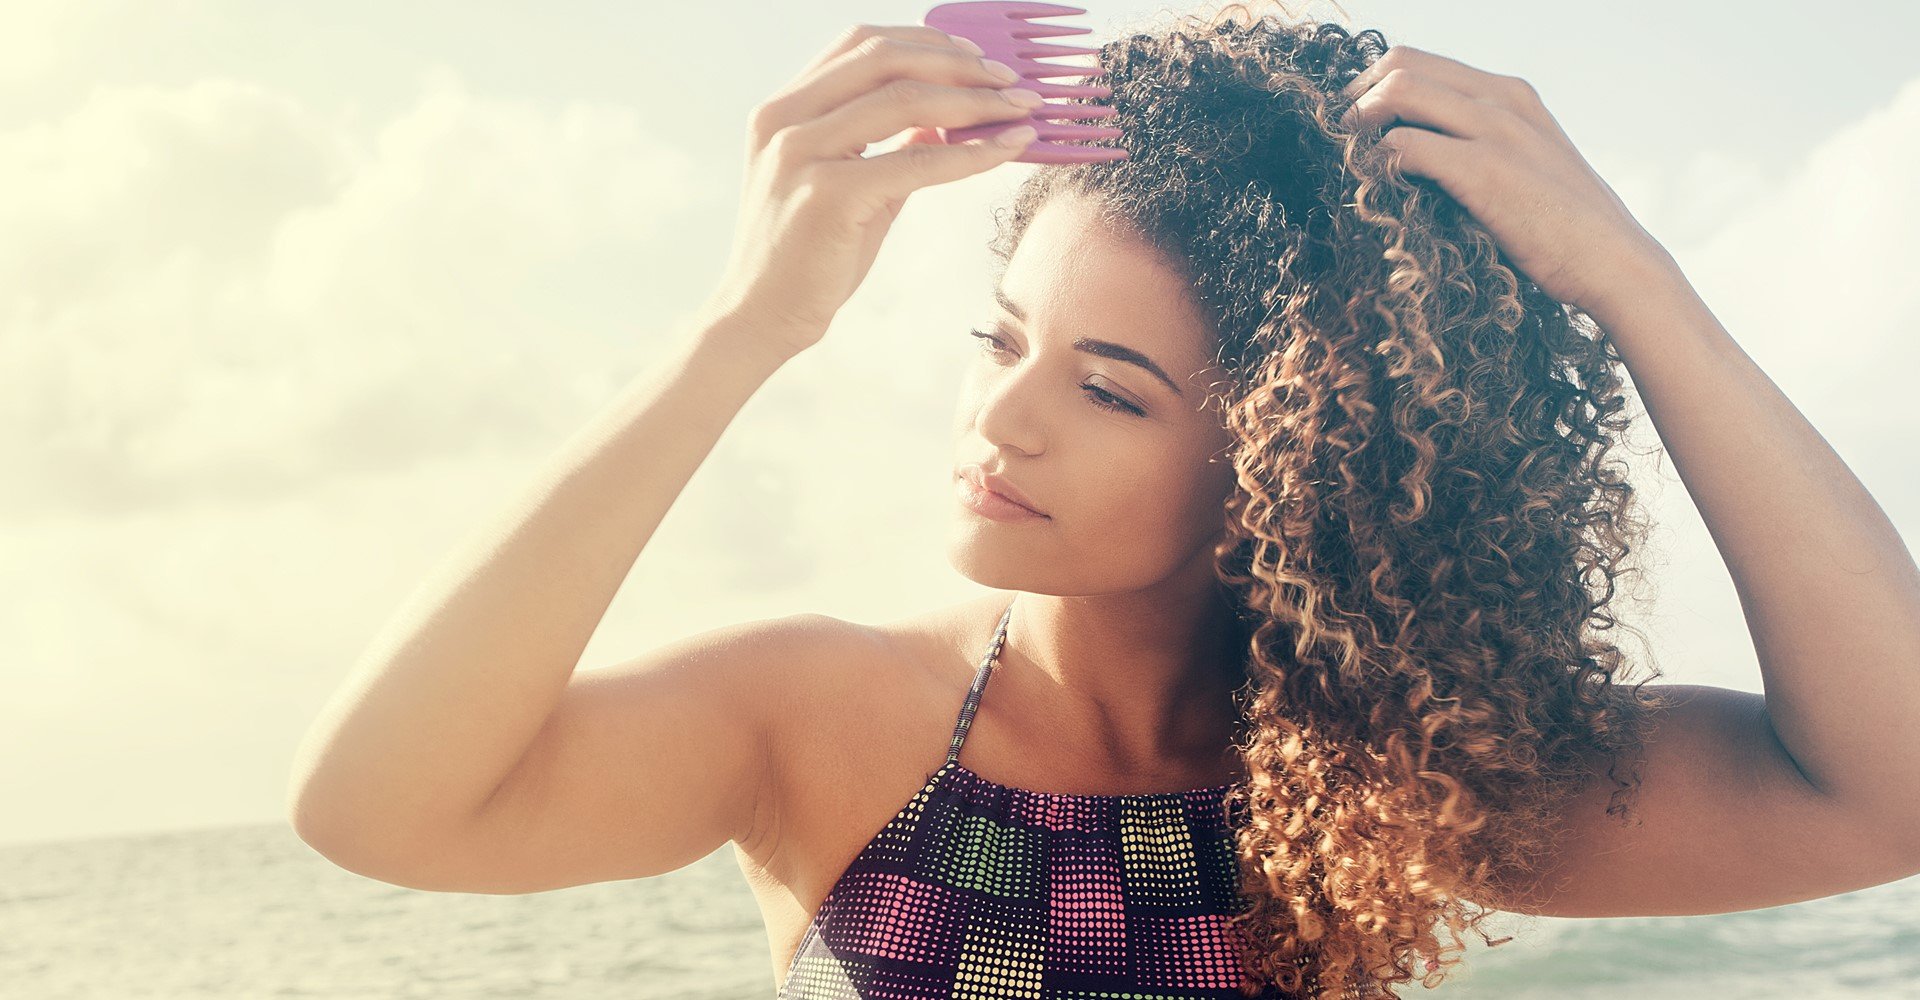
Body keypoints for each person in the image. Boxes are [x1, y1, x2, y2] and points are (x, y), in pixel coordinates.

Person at [287, 5, 1920, 998]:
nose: (1003, 413)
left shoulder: (1376, 782)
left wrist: (1637, 286)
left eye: (1110, 387)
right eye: (1004, 338)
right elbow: (380, 810)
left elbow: (1886, 794)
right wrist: (747, 330)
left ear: (1289, 461)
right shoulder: (831, 716)